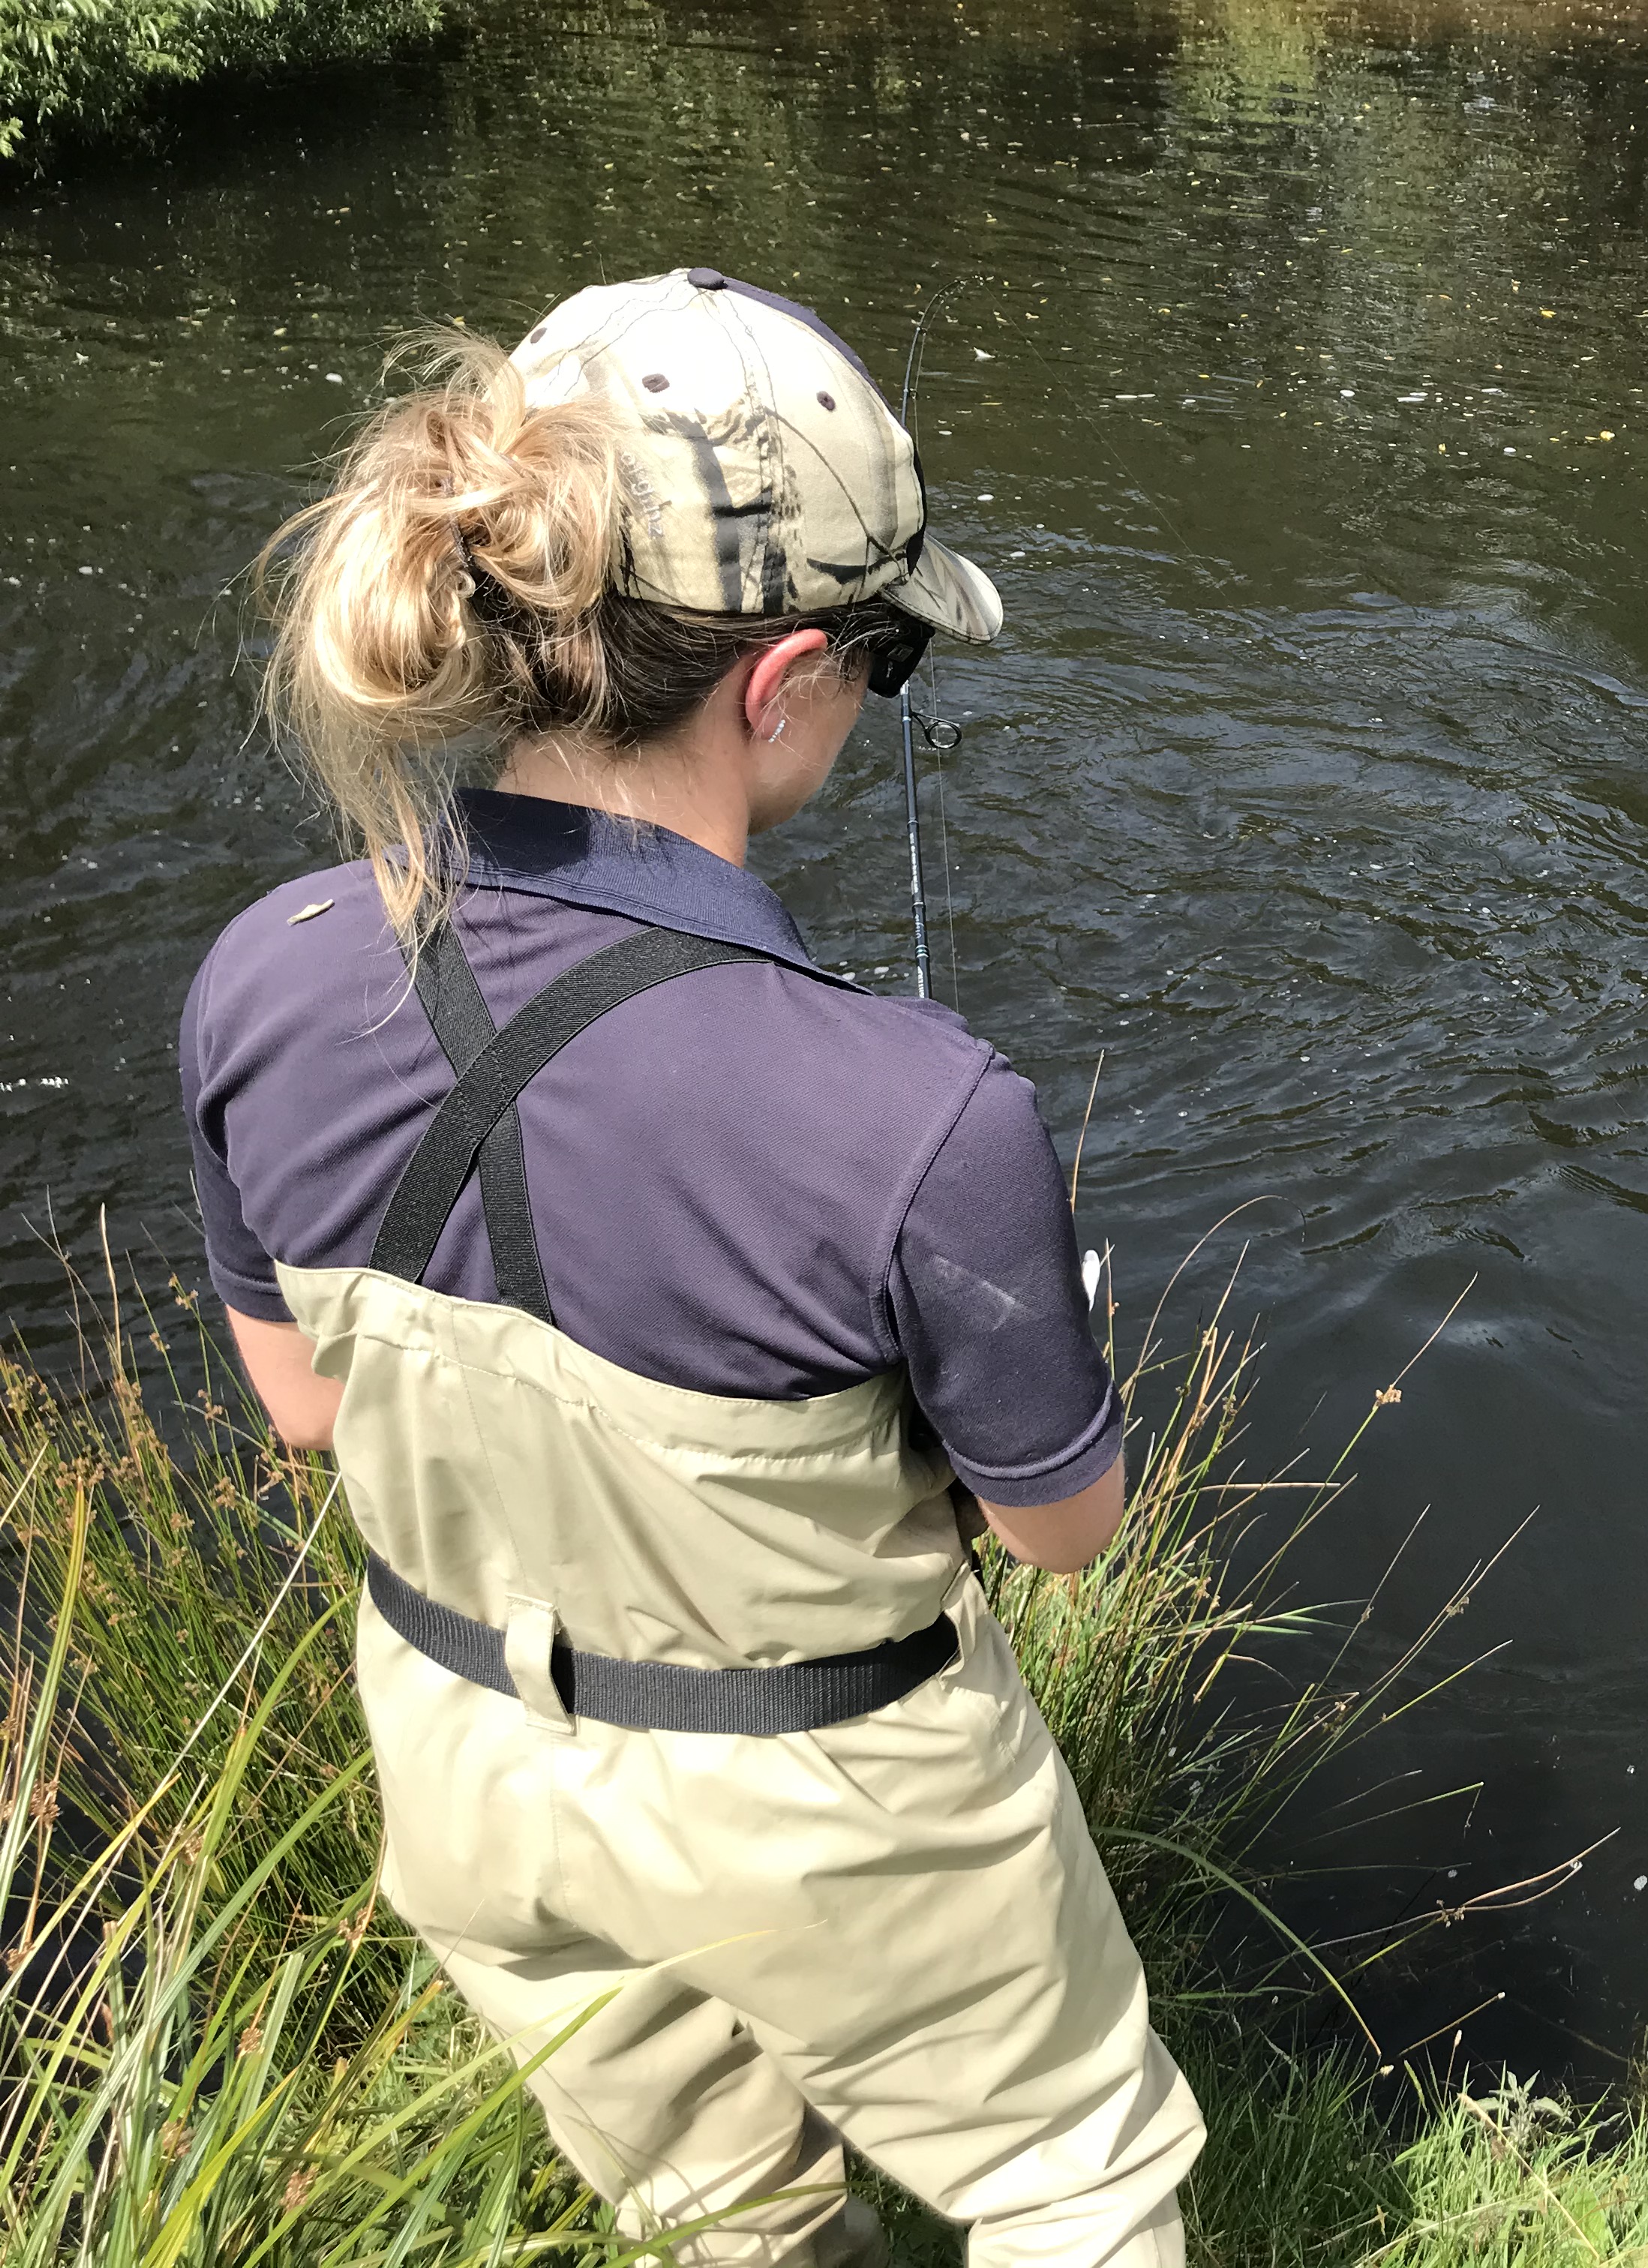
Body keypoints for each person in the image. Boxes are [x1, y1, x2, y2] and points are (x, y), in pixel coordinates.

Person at [179, 268, 1203, 2267]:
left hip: (471, 1770)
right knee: (1075, 2187)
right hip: (840, 1800)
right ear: (788, 674)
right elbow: (1067, 1535)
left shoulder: (264, 974)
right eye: (884, 668)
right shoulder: (923, 1113)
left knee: (720, 2219)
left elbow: (303, 1409)